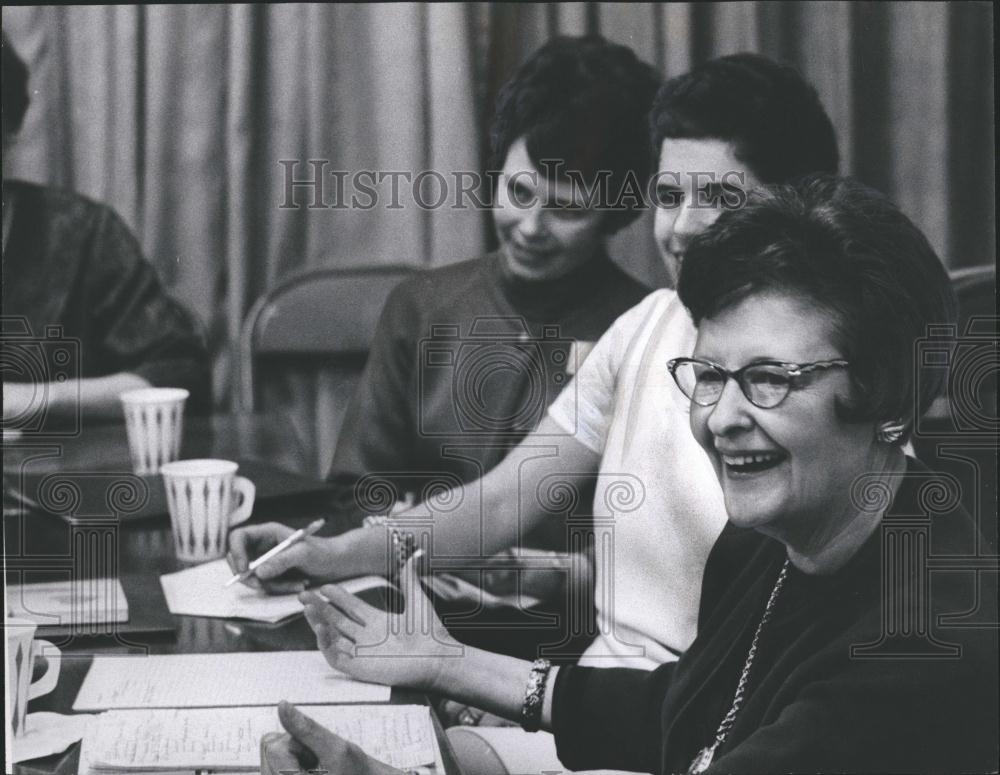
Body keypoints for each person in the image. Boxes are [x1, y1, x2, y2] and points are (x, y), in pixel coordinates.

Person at [265, 176, 998, 774]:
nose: (721, 418)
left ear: (889, 400)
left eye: (770, 378)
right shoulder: (761, 545)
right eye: (708, 375)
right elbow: (687, 715)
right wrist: (445, 661)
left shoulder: (925, 650)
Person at [230, 53, 839, 670]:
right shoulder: (646, 325)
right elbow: (500, 501)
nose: (682, 228)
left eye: (720, 199)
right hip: (593, 698)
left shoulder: (824, 372)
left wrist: (484, 681)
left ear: (796, 204)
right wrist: (334, 555)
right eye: (669, 194)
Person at [230, 35, 659, 651]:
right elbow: (361, 489)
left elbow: (641, 551)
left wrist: (526, 574)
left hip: (570, 643)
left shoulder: (641, 328)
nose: (532, 226)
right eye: (519, 193)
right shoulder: (423, 307)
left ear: (616, 215)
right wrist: (321, 547)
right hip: (408, 613)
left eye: (566, 210)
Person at [1, 33, 211, 423]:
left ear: (9, 127)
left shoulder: (79, 234)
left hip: (56, 478)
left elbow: (180, 376)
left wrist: (31, 400)